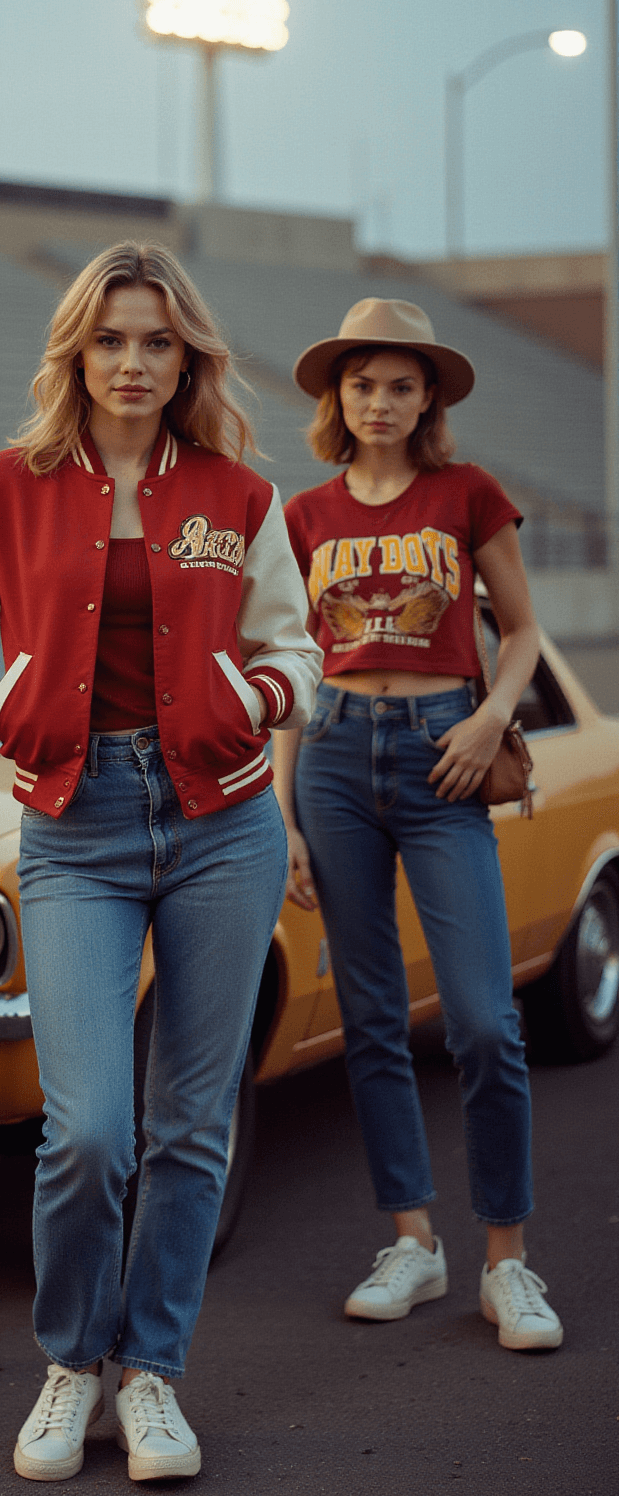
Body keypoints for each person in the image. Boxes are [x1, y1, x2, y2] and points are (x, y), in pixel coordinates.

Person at [0, 241, 321, 1481]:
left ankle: (151, 1374)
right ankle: (69, 1362)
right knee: (87, 1128)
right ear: (74, 351)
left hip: (222, 823)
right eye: (110, 340)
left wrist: (253, 692)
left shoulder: (240, 495)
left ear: (185, 354)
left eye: (155, 342)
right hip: (74, 827)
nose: (132, 363)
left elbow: (299, 653)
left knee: (191, 1124)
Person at [276, 296, 562, 1351]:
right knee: (371, 1017)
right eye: (362, 383)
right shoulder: (303, 514)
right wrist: (286, 819)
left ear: (426, 396)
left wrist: (492, 718)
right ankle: (412, 1239)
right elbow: (294, 673)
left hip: (448, 752)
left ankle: (507, 1261)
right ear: (336, 398)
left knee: (485, 1019)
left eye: (400, 384)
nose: (380, 401)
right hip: (337, 756)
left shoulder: (466, 493)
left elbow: (522, 630)